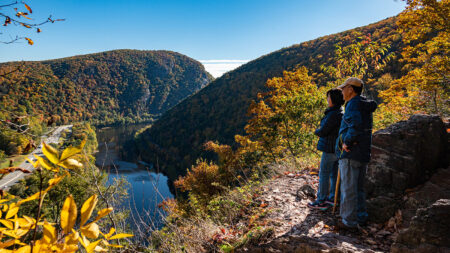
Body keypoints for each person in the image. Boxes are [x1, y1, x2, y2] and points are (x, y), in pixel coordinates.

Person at [335, 77, 377, 230]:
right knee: (359, 188)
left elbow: (355, 125)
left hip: (351, 153)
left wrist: (346, 142)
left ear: (351, 89)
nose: (342, 91)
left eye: (343, 88)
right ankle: (360, 217)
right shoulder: (364, 105)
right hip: (363, 152)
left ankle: (348, 222)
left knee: (348, 189)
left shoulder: (352, 104)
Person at [308, 89, 344, 210]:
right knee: (334, 174)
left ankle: (321, 200)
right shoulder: (341, 112)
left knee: (324, 174)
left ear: (333, 99)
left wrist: (316, 131)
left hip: (329, 148)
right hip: (338, 148)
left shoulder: (333, 114)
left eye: (328, 97)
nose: (327, 99)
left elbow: (323, 131)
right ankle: (332, 199)